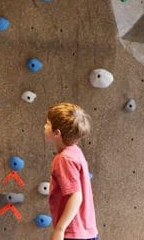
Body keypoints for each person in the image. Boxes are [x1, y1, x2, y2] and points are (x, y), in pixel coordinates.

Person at [44, 103, 98, 240]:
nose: (45, 126)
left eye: (47, 124)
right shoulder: (75, 152)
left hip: (73, 232)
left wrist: (60, 229)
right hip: (86, 230)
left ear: (57, 133)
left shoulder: (64, 159)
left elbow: (76, 196)